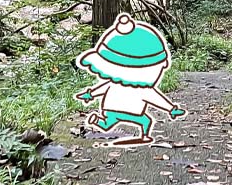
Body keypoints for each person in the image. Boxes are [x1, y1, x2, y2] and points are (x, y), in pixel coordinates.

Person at [75, 14, 185, 144]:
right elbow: (156, 98)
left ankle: (96, 120)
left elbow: (102, 88)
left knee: (107, 124)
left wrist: (90, 94)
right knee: (146, 121)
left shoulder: (115, 83)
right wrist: (171, 108)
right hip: (133, 112)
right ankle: (145, 136)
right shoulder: (143, 89)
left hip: (110, 109)